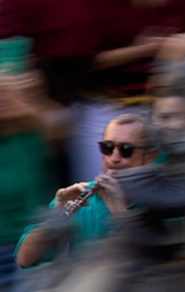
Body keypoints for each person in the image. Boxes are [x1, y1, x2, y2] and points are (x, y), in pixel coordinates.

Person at [15, 112, 157, 269]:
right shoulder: (81, 196)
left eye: (126, 149)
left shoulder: (165, 199)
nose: (114, 158)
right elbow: (25, 259)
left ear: (150, 157)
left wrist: (121, 214)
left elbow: (148, 265)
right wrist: (57, 215)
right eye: (107, 148)